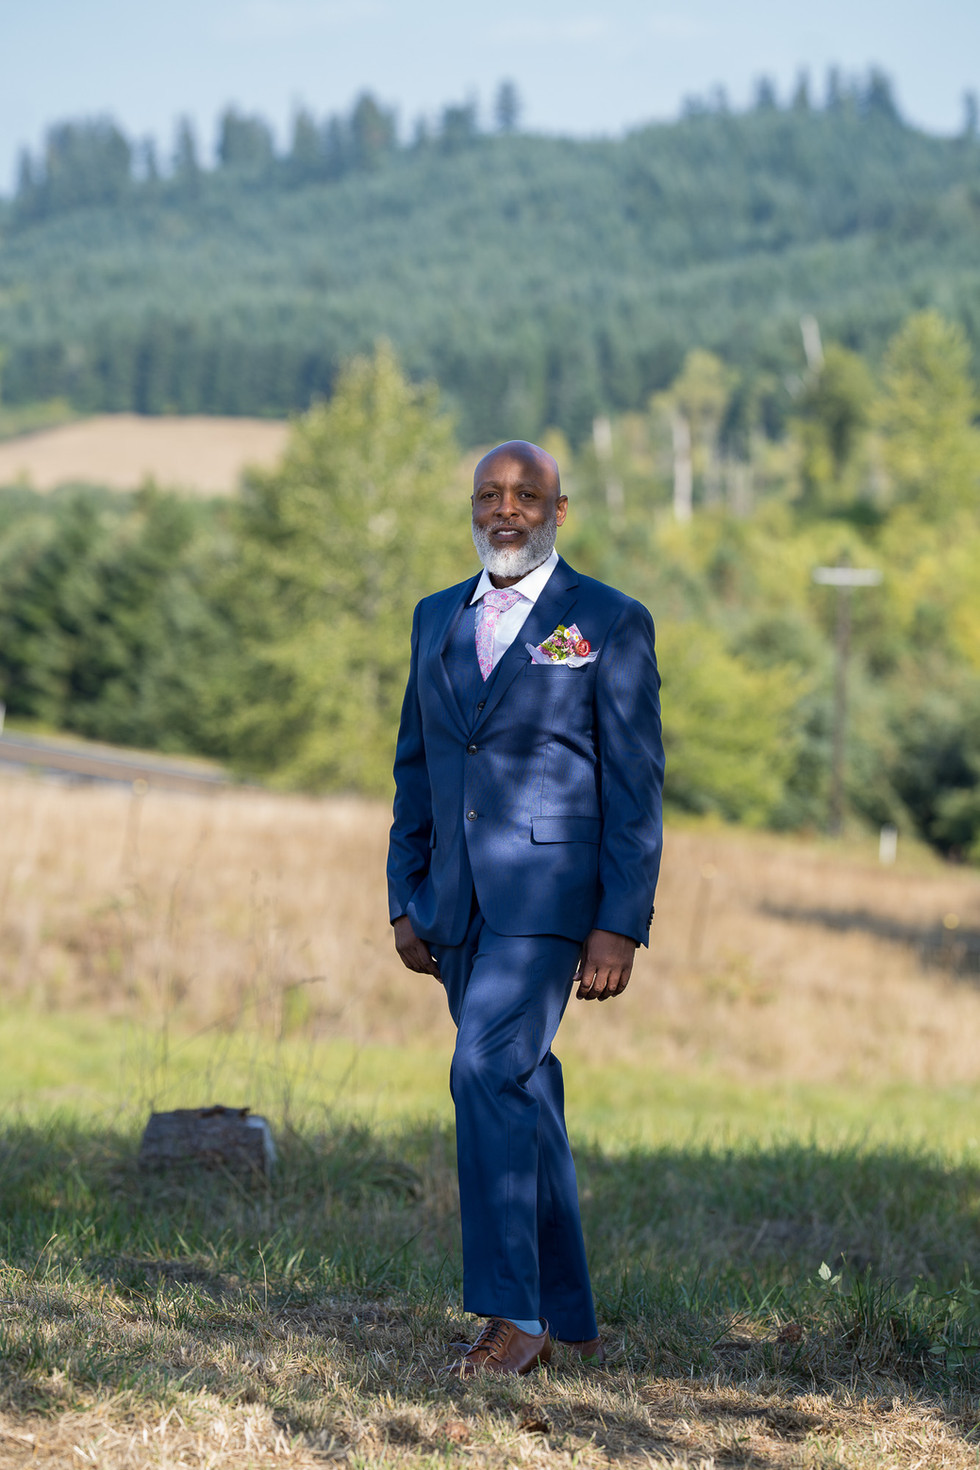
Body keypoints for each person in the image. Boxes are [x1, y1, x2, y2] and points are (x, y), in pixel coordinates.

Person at [387, 440, 664, 1376]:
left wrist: (619, 920)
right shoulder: (434, 617)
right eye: (489, 495)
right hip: (454, 901)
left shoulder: (609, 620)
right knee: (523, 1086)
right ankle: (569, 1315)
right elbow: (417, 766)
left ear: (559, 509)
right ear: (473, 507)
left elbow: (635, 787)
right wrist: (404, 895)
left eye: (527, 495)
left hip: (551, 902)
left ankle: (515, 1318)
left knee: (483, 1070)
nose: (506, 510)